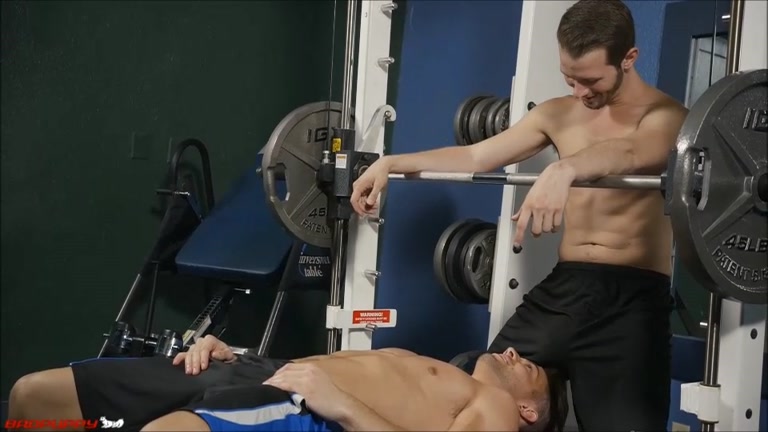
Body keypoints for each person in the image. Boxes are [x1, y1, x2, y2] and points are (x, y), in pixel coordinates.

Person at [350, 0, 687, 430]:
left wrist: (565, 168)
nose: (580, 92)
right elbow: (476, 154)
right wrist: (390, 163)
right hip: (566, 291)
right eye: (570, 78)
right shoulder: (557, 113)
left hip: (633, 303)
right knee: (478, 399)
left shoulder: (667, 117)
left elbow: (633, 152)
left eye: (591, 80)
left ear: (629, 59)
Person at [8, 334, 569, 432]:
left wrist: (343, 406)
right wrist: (237, 353)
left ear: (528, 411)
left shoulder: (493, 408)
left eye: (530, 370)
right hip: (255, 372)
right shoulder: (436, 366)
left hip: (302, 410)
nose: (514, 354)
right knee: (32, 399)